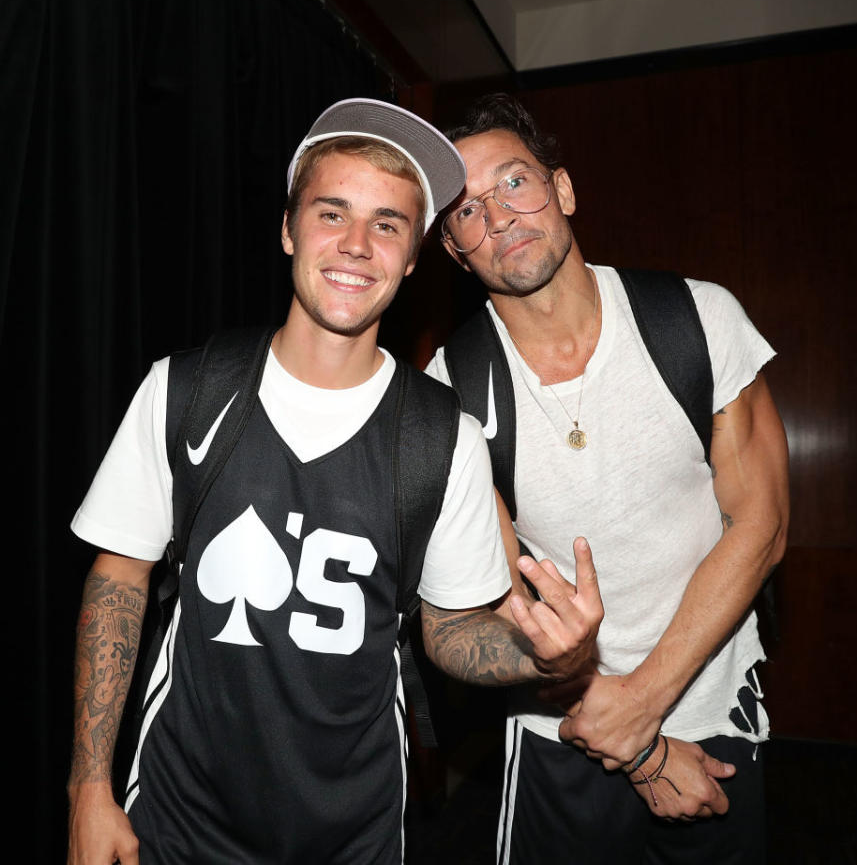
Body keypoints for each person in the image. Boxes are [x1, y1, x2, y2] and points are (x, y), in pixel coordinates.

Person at [66, 97, 603, 865]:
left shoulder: (441, 435)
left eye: (388, 225)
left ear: (414, 257)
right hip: (179, 824)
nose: (357, 245)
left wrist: (547, 657)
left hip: (357, 835)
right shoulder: (185, 392)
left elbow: (450, 632)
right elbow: (118, 579)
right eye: (332, 214)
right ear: (288, 230)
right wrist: (88, 791)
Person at [425, 93, 790, 864]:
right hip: (562, 731)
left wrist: (646, 709)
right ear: (455, 252)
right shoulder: (448, 390)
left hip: (712, 711)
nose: (498, 216)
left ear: (562, 190)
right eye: (466, 210)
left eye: (514, 183)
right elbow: (497, 607)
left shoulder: (698, 318)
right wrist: (641, 751)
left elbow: (761, 527)